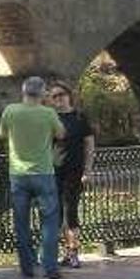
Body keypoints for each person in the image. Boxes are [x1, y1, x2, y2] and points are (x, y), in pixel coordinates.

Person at [0, 76, 65, 279]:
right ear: (43, 93)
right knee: (50, 221)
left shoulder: (10, 111)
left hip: (18, 174)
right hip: (44, 173)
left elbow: (1, 134)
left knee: (21, 222)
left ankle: (27, 267)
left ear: (23, 92)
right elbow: (61, 134)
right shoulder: (48, 113)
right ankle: (50, 267)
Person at [46, 80, 95, 268]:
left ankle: (74, 252)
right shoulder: (51, 118)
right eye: (54, 96)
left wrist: (88, 170)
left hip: (74, 171)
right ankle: (64, 252)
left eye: (61, 95)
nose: (58, 99)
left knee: (71, 212)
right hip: (54, 171)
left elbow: (89, 145)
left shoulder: (80, 117)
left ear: (69, 96)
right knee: (56, 213)